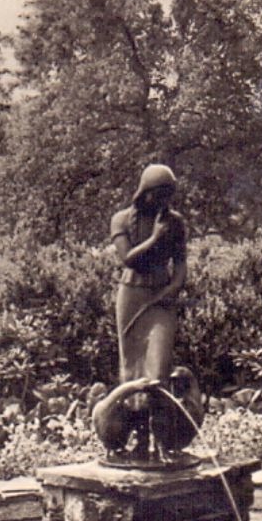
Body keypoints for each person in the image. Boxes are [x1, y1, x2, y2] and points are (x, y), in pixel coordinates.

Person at [106, 163, 190, 460]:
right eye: (158, 195)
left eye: (168, 195)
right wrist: (155, 238)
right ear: (144, 193)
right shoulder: (121, 220)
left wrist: (172, 290)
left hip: (161, 300)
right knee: (132, 372)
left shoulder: (176, 222)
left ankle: (163, 442)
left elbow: (180, 266)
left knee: (158, 370)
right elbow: (128, 259)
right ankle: (140, 442)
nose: (163, 202)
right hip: (131, 298)